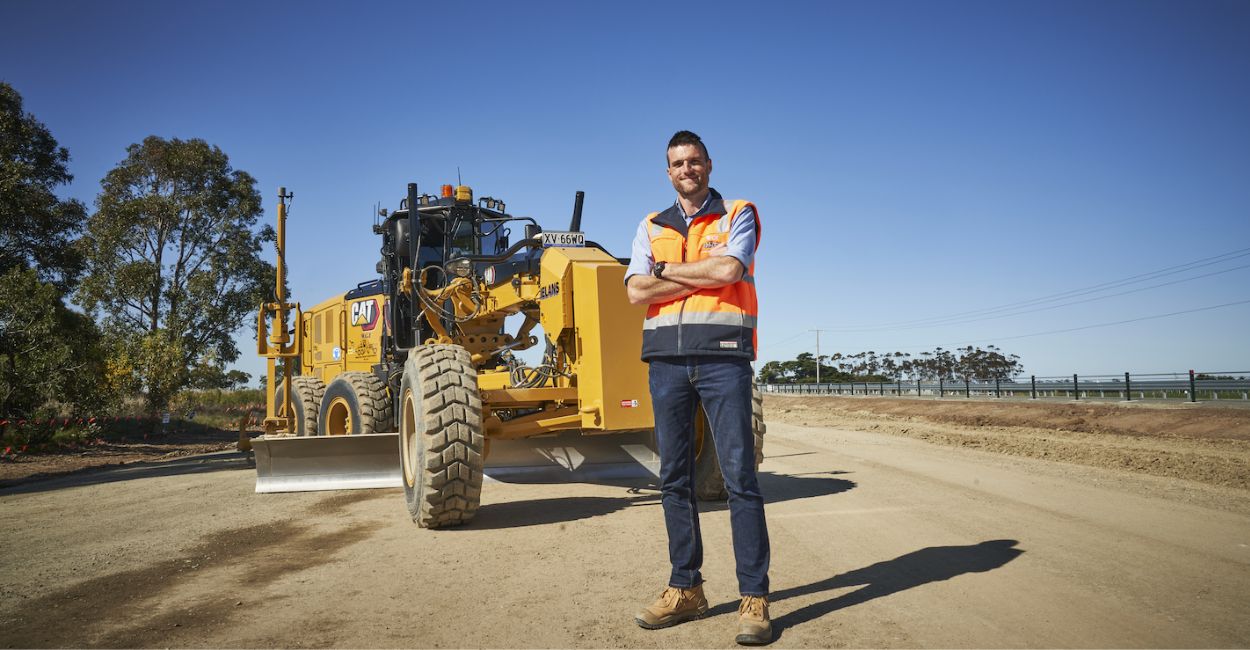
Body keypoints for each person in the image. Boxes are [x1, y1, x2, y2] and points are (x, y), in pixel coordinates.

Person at [625, 130, 771, 645]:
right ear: (668, 172)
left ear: (708, 165)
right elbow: (634, 289)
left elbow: (733, 267)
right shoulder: (650, 224)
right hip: (666, 362)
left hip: (723, 358)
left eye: (694, 161)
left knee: (738, 478)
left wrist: (666, 270)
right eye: (677, 163)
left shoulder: (739, 212)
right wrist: (700, 274)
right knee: (673, 480)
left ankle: (754, 596)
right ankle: (685, 589)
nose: (686, 169)